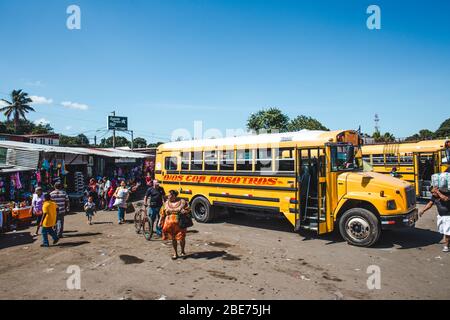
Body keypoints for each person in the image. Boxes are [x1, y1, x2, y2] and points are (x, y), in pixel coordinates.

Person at [159, 190, 190, 260]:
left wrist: (185, 211)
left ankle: (182, 251)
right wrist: (160, 221)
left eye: (169, 195)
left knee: (182, 238)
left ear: (174, 196)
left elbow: (188, 209)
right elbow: (162, 212)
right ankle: (175, 253)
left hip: (180, 224)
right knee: (173, 239)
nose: (168, 196)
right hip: (169, 225)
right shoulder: (166, 203)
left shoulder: (182, 202)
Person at [419, 187, 450, 252]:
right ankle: (448, 242)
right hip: (440, 216)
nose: (433, 194)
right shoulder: (434, 196)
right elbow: (430, 204)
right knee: (442, 231)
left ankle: (446, 246)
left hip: (448, 216)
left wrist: (438, 192)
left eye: (433, 192)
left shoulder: (446, 194)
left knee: (447, 232)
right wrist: (423, 210)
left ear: (437, 190)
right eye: (431, 193)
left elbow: (445, 199)